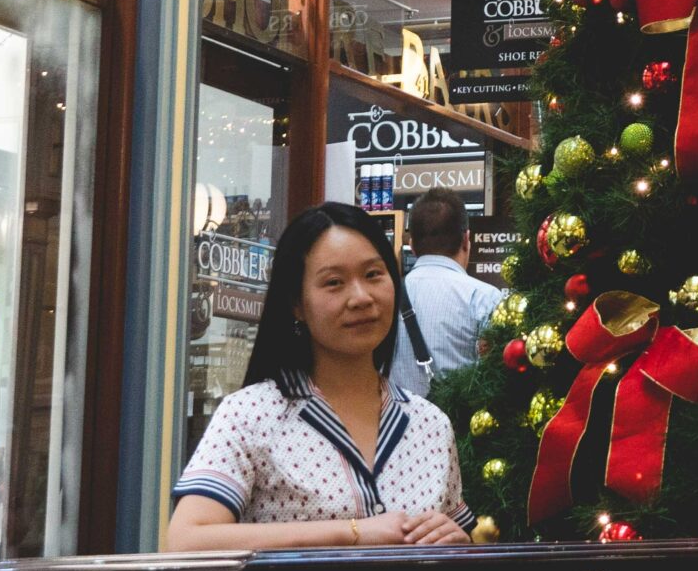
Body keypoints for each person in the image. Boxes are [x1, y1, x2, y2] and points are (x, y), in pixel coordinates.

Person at [166, 203, 475, 550]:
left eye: (374, 274)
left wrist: (459, 543)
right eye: (333, 282)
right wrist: (353, 532)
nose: (360, 297)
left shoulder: (430, 424)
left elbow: (457, 539)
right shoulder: (252, 415)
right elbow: (186, 540)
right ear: (297, 303)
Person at [392, 191, 499, 398]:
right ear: (466, 239)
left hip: (393, 426)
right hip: (458, 428)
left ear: (412, 245)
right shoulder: (485, 298)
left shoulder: (386, 295)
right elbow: (494, 383)